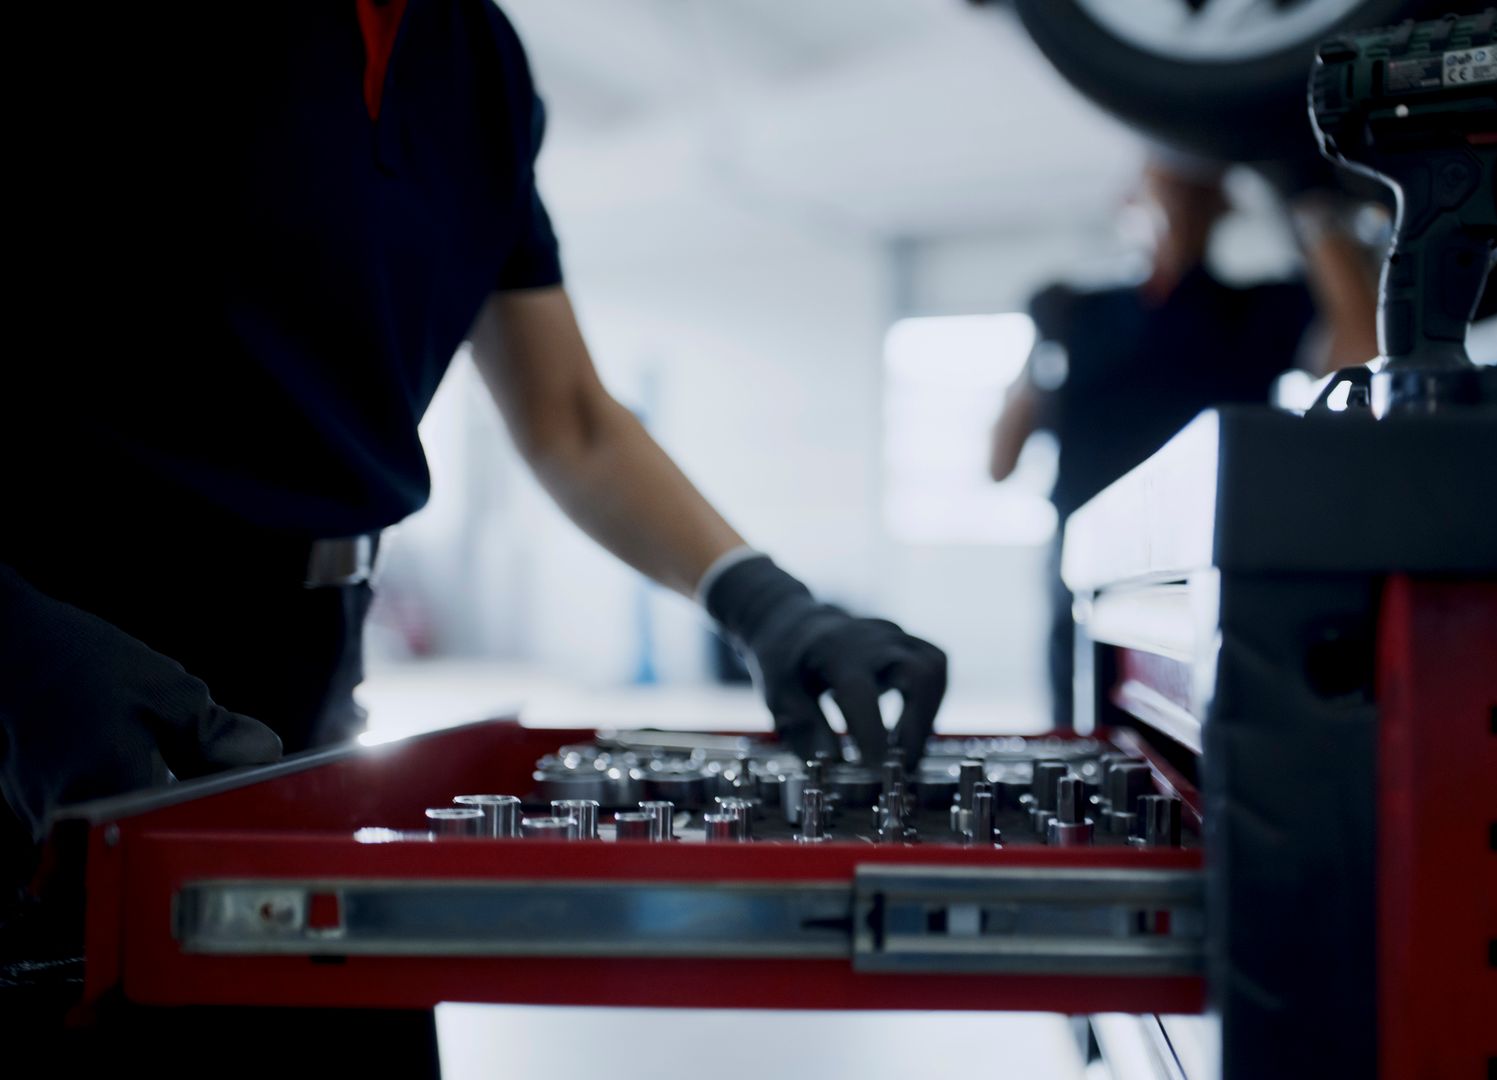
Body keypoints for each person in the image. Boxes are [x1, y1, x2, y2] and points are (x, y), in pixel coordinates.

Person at [1, 4, 945, 1055]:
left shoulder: (475, 57)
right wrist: (8, 653)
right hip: (62, 692)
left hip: (307, 705)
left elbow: (570, 419)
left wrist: (765, 603)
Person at [989, 155, 1379, 730]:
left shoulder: (1258, 309)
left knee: (1202, 748)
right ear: (1128, 204)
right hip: (1087, 578)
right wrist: (1037, 355)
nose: (1175, 203)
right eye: (1161, 185)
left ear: (1221, 206)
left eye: (1194, 191)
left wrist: (1310, 206)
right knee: (1083, 746)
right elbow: (999, 462)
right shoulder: (1077, 313)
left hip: (1206, 575)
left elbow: (1362, 340)